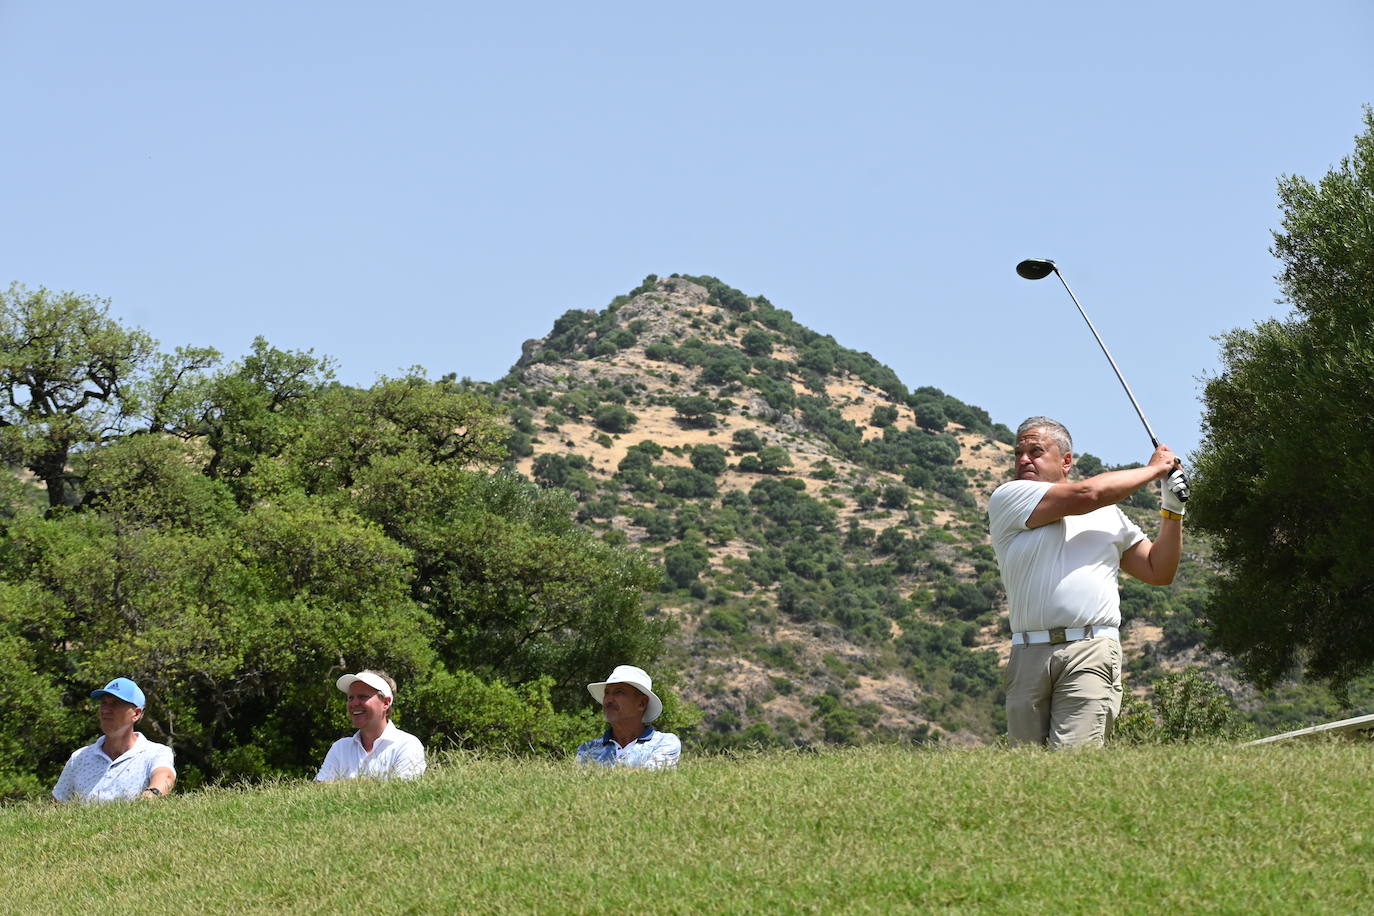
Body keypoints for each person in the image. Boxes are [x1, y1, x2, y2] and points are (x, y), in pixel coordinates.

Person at [988, 417, 1189, 748]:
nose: (1024, 459)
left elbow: (1158, 570)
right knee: (1025, 770)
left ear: (1066, 461)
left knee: (1071, 764)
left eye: (1036, 451)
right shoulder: (1009, 496)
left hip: (1091, 650)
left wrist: (1172, 510)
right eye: (1019, 453)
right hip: (1027, 652)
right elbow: (1089, 493)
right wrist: (1156, 469)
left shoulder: (1109, 515)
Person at [52, 677, 176, 803]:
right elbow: (56, 805)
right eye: (104, 703)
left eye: (115, 704)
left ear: (136, 714)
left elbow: (165, 777)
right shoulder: (79, 758)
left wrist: (150, 797)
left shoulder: (155, 753)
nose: (105, 710)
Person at [315, 670, 426, 781]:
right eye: (350, 698)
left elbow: (403, 792)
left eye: (363, 697)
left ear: (386, 703)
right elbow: (319, 791)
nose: (354, 703)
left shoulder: (406, 745)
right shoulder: (340, 748)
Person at [576, 665, 681, 769]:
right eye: (607, 693)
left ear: (642, 703)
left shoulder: (664, 743)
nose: (608, 700)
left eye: (619, 692)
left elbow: (648, 781)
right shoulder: (587, 749)